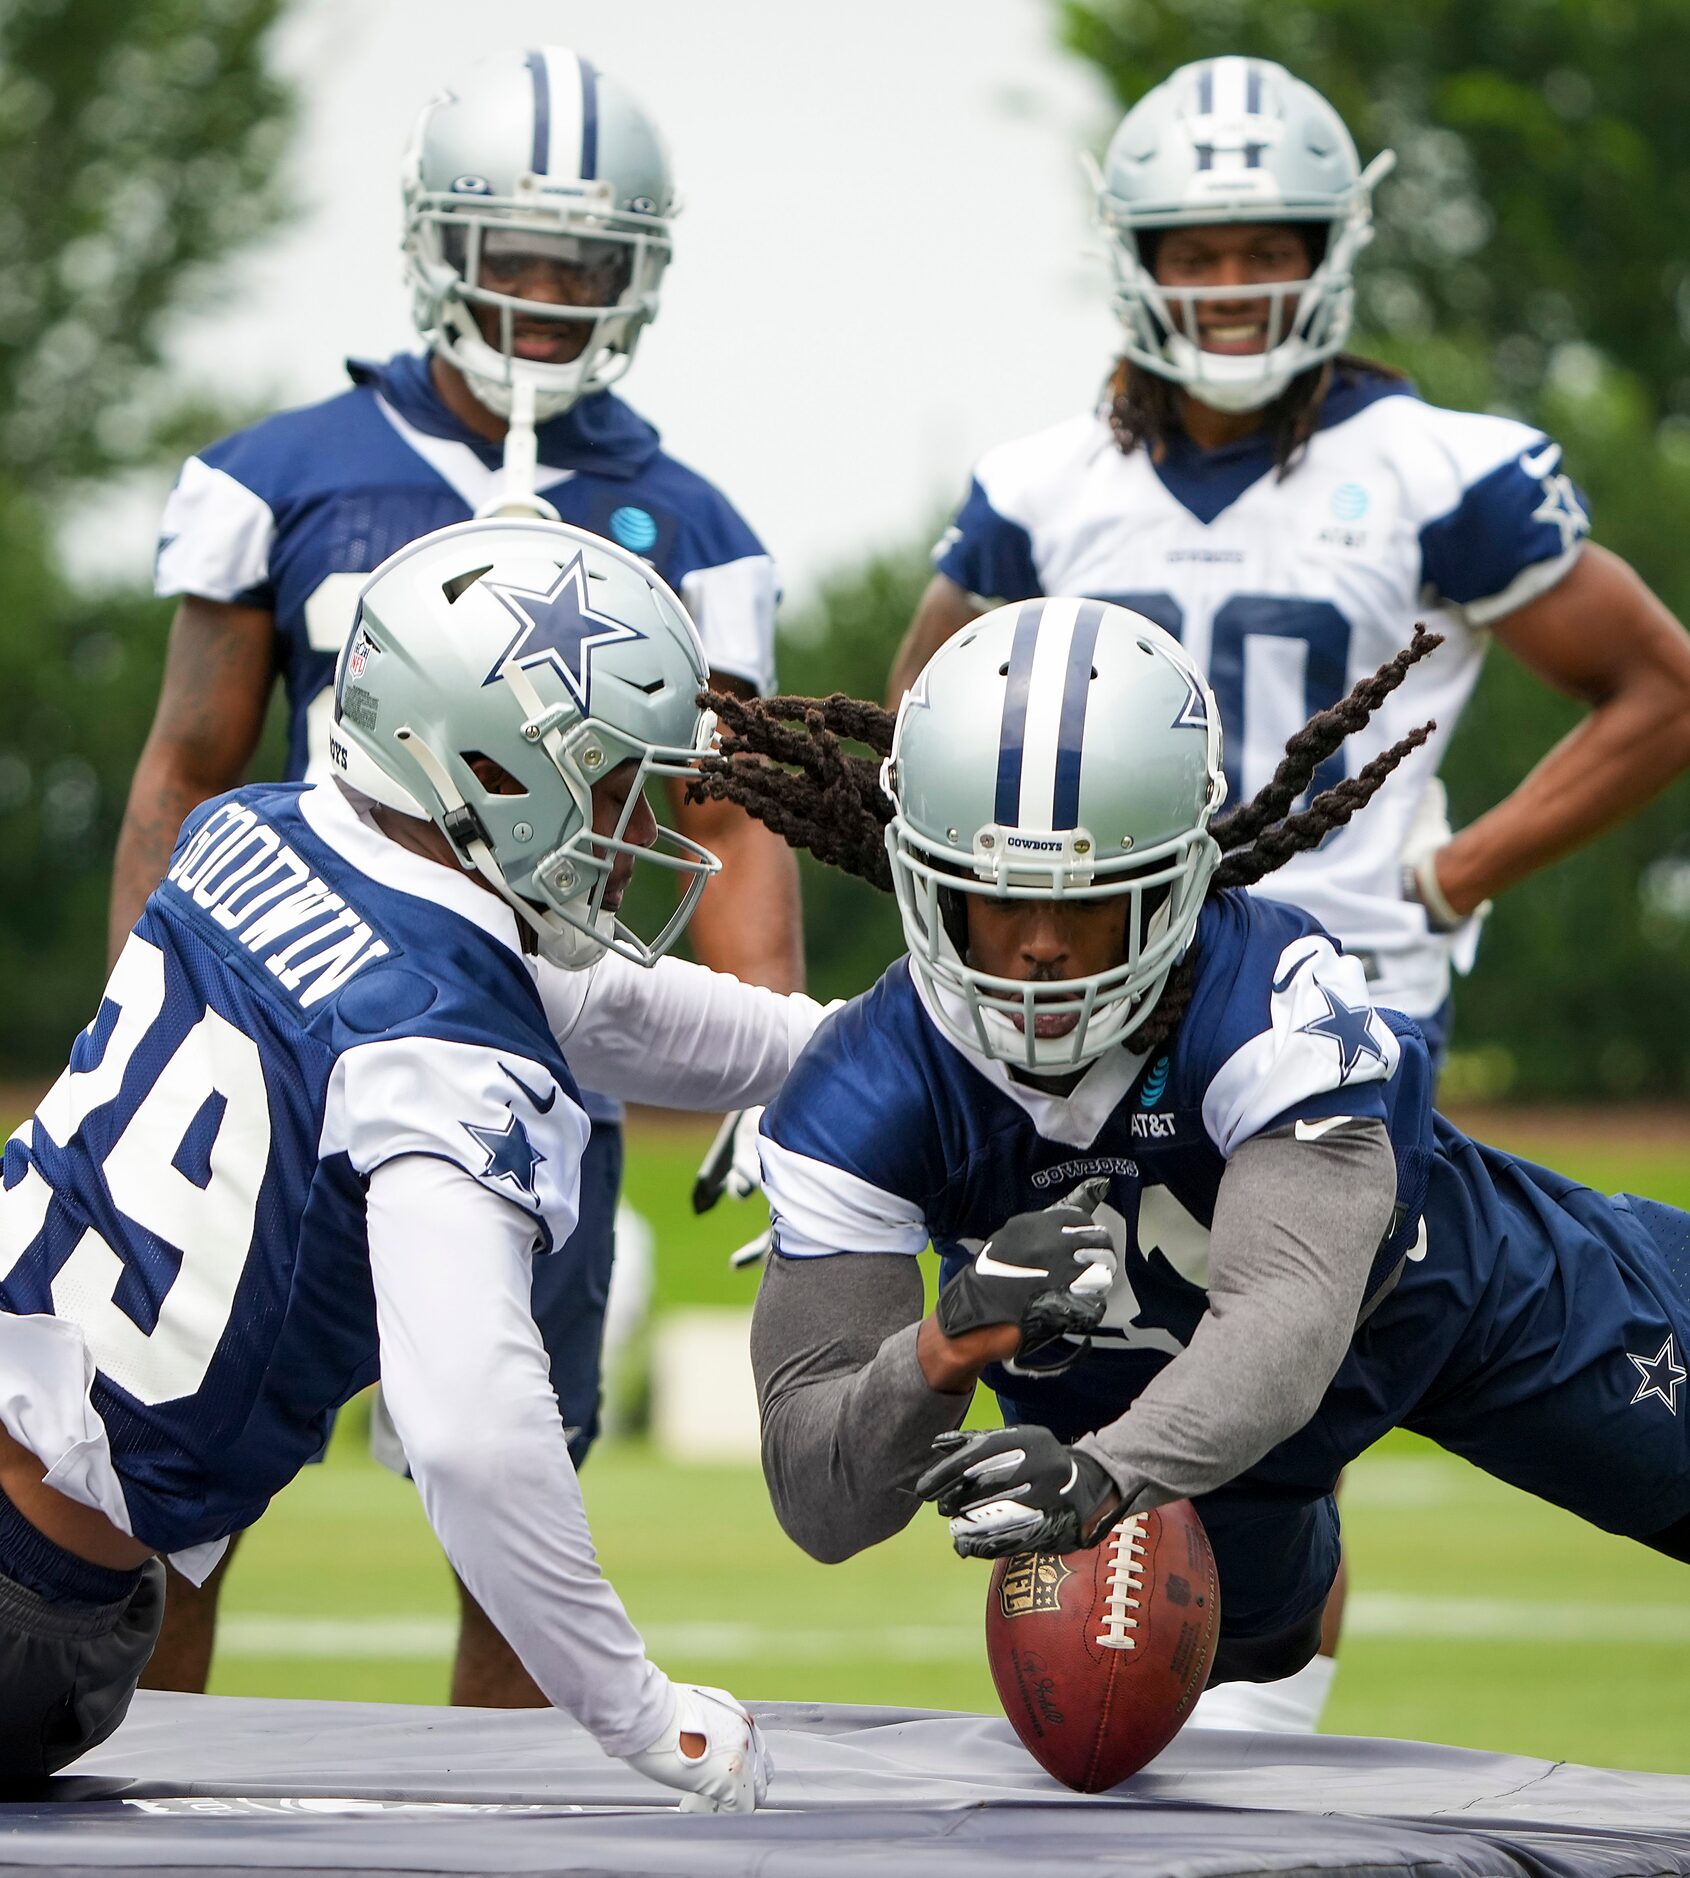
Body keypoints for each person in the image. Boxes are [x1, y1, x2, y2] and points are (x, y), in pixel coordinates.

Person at [883, 55, 1690, 1728]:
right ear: (1135, 256)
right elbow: (915, 742)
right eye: (1197, 244)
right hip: (1100, 1020)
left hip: (1342, 1006)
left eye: (1270, 240)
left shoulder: (1435, 469)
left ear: (1334, 247)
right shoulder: (1044, 491)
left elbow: (1657, 685)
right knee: (1219, 1390)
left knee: (1287, 1344)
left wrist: (1457, 867)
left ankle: (1249, 1696)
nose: (1234, 279)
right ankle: (1249, 1681)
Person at [108, 44, 802, 1702]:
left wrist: (772, 1052)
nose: (551, 293)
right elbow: (189, 767)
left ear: (642, 274)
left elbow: (730, 812)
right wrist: (146, 997)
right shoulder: (285, 472)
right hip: (286, 1045)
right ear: (439, 241)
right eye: (518, 251)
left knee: (509, 1500)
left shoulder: (688, 522)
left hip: (530, 1060)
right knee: (166, 1499)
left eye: (587, 262)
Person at [692, 600, 1690, 1723]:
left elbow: (1287, 1318)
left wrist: (1107, 1471)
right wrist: (942, 1345)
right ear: (921, 877)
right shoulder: (863, 1089)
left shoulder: (1260, 991)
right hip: (1187, 1445)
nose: (1037, 944)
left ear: (1177, 884)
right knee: (1186, 1666)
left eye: (1088, 900)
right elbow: (821, 1499)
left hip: (1447, 1302)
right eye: (997, 893)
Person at [0, 516, 818, 1795]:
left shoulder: (253, 832)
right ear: (487, 767)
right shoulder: (438, 1052)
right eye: (608, 783)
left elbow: (596, 1009)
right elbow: (472, 1441)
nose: (634, 823)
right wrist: (645, 1716)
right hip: (24, 1593)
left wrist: (891, 1053)